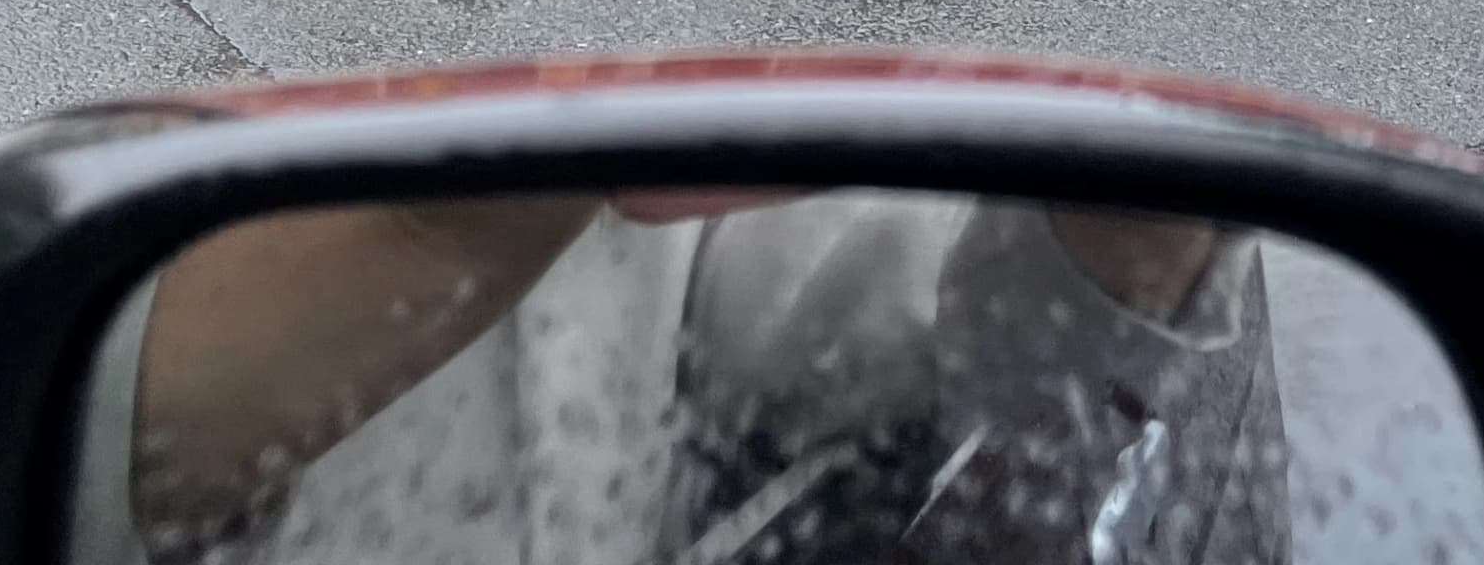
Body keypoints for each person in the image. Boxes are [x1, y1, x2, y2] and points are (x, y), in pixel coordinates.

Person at [71, 186, 1292, 565]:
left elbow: (948, 377)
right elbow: (24, 457)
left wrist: (1116, 264)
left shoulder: (688, 214)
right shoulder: (112, 220)